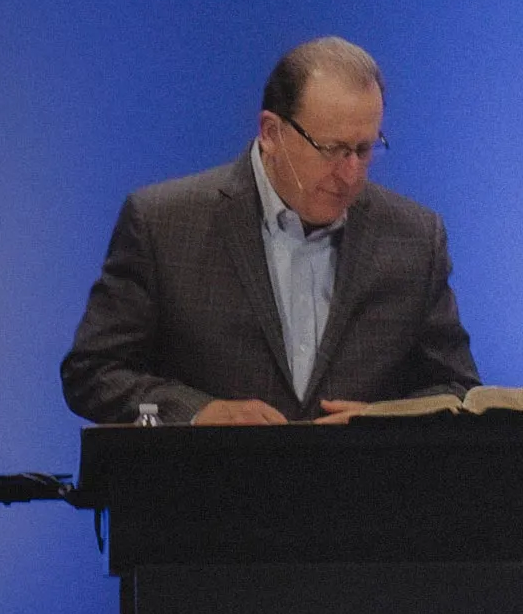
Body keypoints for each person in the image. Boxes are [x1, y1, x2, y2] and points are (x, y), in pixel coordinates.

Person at [61, 37, 480, 425]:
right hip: (208, 496)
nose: (351, 172)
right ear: (271, 133)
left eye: (364, 149)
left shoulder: (414, 237)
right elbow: (93, 373)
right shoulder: (164, 224)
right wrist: (198, 413)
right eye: (331, 149)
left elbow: (458, 390)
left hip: (359, 498)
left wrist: (386, 421)